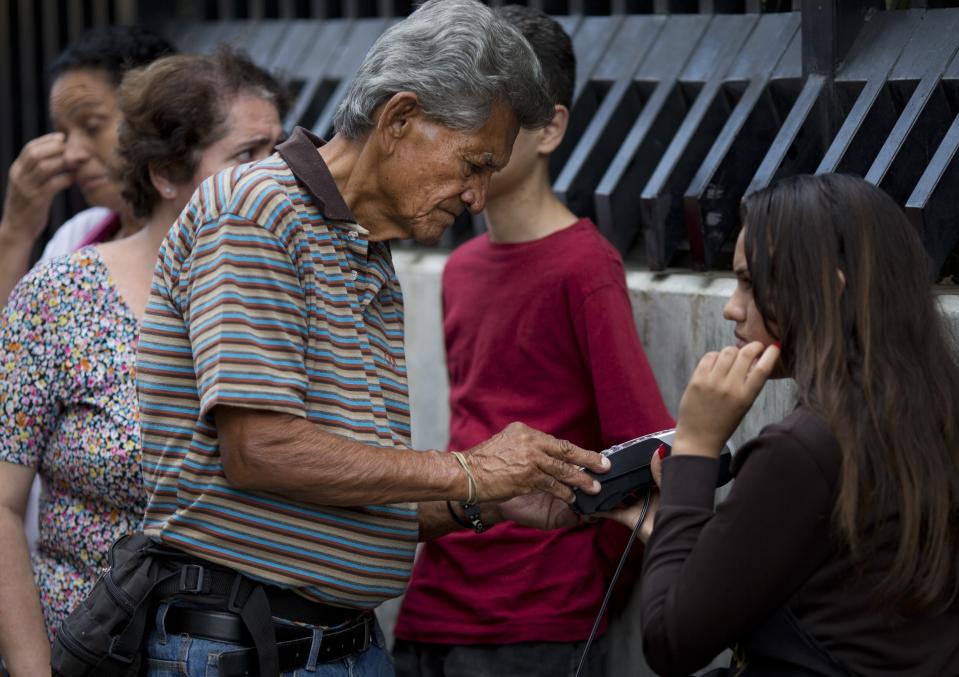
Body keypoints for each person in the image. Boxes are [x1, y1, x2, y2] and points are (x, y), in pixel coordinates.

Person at [132, 2, 610, 675]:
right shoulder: (257, 210)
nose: (476, 196)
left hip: (333, 644)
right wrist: (469, 468)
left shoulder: (361, 245)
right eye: (473, 163)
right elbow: (260, 450)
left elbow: (344, 485)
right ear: (399, 119)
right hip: (248, 646)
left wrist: (484, 497)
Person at [392, 7, 673, 677]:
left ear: (549, 126)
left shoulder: (583, 265)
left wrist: (581, 581)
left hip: (537, 621)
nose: (469, 134)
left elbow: (646, 452)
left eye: (493, 114)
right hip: (431, 601)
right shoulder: (459, 268)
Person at [0, 49, 285, 676]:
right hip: (98, 651)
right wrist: (30, 669)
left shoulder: (287, 292)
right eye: (247, 155)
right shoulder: (61, 295)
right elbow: (1, 502)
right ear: (165, 172)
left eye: (279, 150)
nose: (276, 177)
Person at [612, 173, 959, 676]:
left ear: (828, 289)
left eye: (751, 283)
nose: (732, 307)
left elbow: (670, 641)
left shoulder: (806, 447)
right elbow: (827, 586)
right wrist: (678, 528)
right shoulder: (931, 407)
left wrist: (695, 446)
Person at [0, 25, 176, 306]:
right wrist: (16, 231)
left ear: (157, 117)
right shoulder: (78, 235)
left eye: (91, 126)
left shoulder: (204, 241)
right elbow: (15, 343)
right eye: (64, 134)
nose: (71, 155)